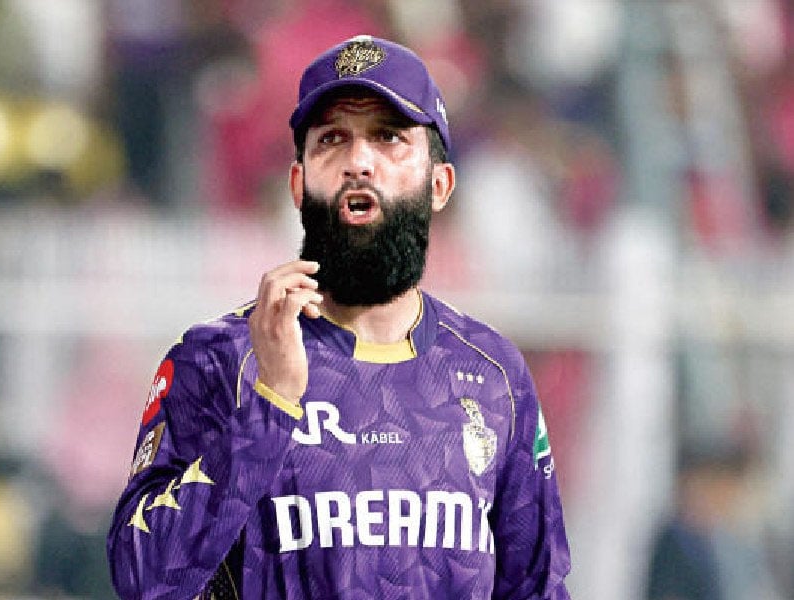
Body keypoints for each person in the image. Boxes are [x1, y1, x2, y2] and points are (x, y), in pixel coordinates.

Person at [107, 35, 572, 599]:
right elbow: (141, 579)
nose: (358, 162)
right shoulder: (218, 361)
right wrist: (269, 406)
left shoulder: (493, 375)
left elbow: (539, 587)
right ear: (298, 184)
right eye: (331, 139)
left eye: (389, 137)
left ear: (440, 184)